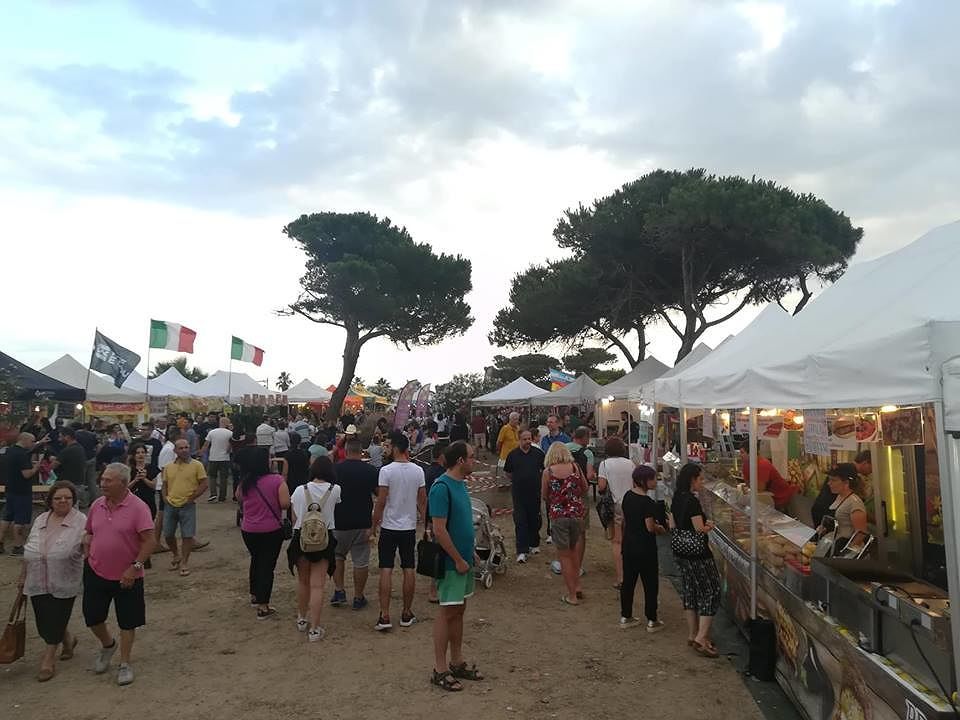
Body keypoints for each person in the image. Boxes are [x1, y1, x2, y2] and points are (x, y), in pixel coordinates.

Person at [83, 463, 156, 685]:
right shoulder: (97, 504)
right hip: (96, 571)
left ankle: (124, 663)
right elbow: (89, 532)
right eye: (102, 479)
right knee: (92, 617)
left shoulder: (138, 508)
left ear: (123, 483)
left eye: (108, 480)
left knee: (127, 621)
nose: (102, 483)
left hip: (128, 575)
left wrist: (134, 568)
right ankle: (108, 645)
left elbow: (150, 541)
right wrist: (87, 549)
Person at [15, 481, 85, 681]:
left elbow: (88, 549)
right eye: (58, 498)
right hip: (37, 578)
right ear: (50, 501)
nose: (63, 501)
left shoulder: (81, 521)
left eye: (67, 498)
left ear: (73, 499)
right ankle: (68, 640)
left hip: (65, 579)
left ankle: (48, 658)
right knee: (44, 619)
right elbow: (30, 548)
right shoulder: (41, 519)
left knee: (55, 617)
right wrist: (22, 575)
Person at [429, 441, 482, 691]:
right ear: (460, 460)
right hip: (452, 563)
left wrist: (470, 553)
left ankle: (457, 660)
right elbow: (439, 529)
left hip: (463, 560)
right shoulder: (441, 487)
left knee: (459, 610)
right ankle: (440, 668)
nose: (475, 460)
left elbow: (462, 523)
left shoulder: (460, 485)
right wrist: (458, 559)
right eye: (472, 457)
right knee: (447, 611)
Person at [372, 431, 426, 631]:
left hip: (389, 526)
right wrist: (427, 524)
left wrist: (373, 524)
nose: (386, 448)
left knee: (386, 568)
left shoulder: (385, 471)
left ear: (395, 447)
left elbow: (381, 500)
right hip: (409, 527)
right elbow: (422, 501)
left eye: (388, 446)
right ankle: (406, 612)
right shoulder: (418, 471)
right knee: (408, 568)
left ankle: (385, 615)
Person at [671, 462, 721, 658]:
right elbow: (699, 529)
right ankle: (702, 637)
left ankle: (692, 634)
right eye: (700, 479)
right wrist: (710, 525)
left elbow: (673, 522)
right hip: (697, 553)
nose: (702, 482)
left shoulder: (676, 497)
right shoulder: (692, 501)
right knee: (711, 590)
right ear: (692, 480)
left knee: (690, 590)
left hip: (680, 551)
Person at [288, 457, 341, 641]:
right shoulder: (335, 490)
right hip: (324, 539)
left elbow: (295, 516)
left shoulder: (299, 490)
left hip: (301, 537)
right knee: (317, 585)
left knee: (303, 582)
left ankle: (302, 619)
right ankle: (315, 629)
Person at [236, 447, 290, 619]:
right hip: (271, 529)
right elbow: (285, 503)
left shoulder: (245, 481)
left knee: (256, 560)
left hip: (249, 529)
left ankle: (254, 594)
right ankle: (263, 605)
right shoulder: (276, 480)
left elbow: (239, 498)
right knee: (267, 566)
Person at [330, 438, 379, 610]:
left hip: (338, 521)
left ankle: (339, 591)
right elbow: (380, 494)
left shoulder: (335, 469)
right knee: (361, 561)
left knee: (338, 556)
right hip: (363, 521)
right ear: (361, 451)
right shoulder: (370, 470)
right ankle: (358, 597)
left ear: (347, 451)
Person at [619, 465, 666, 631]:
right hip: (645, 547)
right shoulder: (647, 503)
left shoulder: (627, 496)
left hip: (629, 543)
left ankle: (626, 615)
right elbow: (649, 527)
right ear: (644, 481)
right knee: (650, 583)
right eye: (652, 478)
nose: (655, 481)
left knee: (628, 582)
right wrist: (660, 528)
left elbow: (624, 519)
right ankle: (652, 619)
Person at [541, 442, 587, 605]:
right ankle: (578, 586)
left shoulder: (548, 472)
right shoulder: (575, 468)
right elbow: (585, 487)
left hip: (559, 516)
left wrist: (557, 499)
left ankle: (572, 595)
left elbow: (545, 495)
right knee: (574, 551)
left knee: (564, 556)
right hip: (576, 514)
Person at [161, 439, 208, 577]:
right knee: (168, 534)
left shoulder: (197, 465)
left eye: (187, 447)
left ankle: (184, 562)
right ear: (175, 450)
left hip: (187, 505)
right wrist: (164, 498)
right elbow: (164, 484)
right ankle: (176, 555)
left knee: (187, 535)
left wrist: (192, 498)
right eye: (181, 448)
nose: (184, 450)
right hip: (170, 504)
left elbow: (204, 484)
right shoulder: (169, 466)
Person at [597, 436, 635, 589]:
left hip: (615, 505)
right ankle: (631, 572)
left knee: (617, 542)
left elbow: (601, 486)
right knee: (630, 540)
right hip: (631, 503)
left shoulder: (604, 464)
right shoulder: (631, 463)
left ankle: (621, 577)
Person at [503, 429, 544, 563]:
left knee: (534, 519)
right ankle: (521, 550)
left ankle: (534, 543)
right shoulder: (512, 455)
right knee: (520, 521)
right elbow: (508, 473)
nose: (527, 441)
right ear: (519, 440)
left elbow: (543, 470)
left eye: (529, 439)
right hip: (519, 494)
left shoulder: (538, 454)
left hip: (535, 493)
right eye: (524, 439)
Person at [1, 433, 41, 556]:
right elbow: (26, 474)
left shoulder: (9, 451)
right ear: (25, 440)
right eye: (32, 441)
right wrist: (36, 468)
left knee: (6, 518)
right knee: (20, 520)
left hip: (10, 489)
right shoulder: (22, 455)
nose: (33, 443)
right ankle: (18, 546)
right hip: (22, 491)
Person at [815, 463, 868, 554]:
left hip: (846, 552)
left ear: (846, 483)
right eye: (829, 479)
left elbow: (860, 534)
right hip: (834, 545)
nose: (829, 483)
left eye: (833, 480)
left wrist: (844, 553)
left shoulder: (854, 503)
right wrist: (824, 528)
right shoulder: (839, 497)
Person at [812, 450, 871, 527]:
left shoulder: (844, 467)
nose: (871, 471)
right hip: (826, 513)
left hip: (820, 509)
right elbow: (851, 498)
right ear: (865, 463)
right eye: (872, 467)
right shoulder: (850, 472)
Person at [738, 441, 797, 514]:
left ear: (751, 453)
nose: (739, 455)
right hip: (769, 499)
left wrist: (751, 485)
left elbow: (759, 488)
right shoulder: (745, 465)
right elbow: (750, 485)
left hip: (782, 498)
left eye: (742, 452)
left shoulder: (762, 464)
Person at [126, 444, 158, 568]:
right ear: (133, 455)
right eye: (138, 453)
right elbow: (125, 488)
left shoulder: (152, 468)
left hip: (148, 502)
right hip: (133, 503)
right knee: (134, 531)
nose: (140, 455)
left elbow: (154, 486)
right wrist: (135, 479)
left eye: (142, 452)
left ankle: (146, 558)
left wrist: (144, 479)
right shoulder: (129, 470)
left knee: (146, 531)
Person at [197, 417, 234, 503]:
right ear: (227, 423)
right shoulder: (230, 433)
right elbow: (230, 446)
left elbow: (206, 445)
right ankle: (222, 497)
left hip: (213, 457)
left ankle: (213, 494)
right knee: (223, 478)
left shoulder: (212, 432)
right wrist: (228, 451)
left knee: (212, 477)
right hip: (225, 458)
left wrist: (201, 453)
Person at [495, 412, 521, 479]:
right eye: (515, 419)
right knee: (503, 479)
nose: (517, 421)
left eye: (517, 419)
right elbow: (499, 442)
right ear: (510, 419)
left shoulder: (518, 428)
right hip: (505, 457)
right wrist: (498, 451)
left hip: (516, 457)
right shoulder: (505, 428)